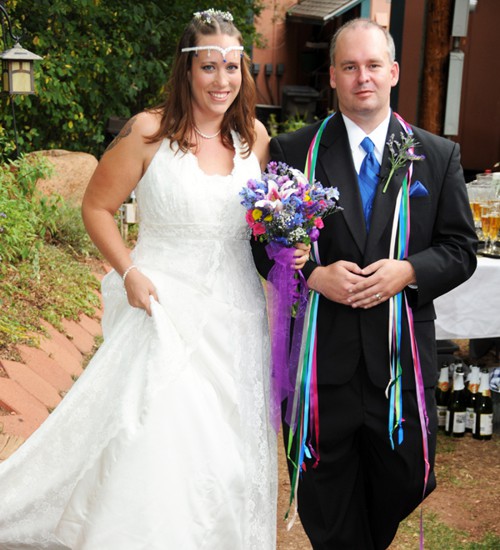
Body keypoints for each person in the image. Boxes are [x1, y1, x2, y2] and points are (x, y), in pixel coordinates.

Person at [0, 9, 310, 549]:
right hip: (163, 307)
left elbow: (264, 226)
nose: (222, 80)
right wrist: (130, 271)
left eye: (232, 68)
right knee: (161, 438)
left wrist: (292, 245)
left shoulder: (255, 139)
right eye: (209, 67)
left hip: (236, 317)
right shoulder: (149, 132)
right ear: (187, 70)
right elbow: (96, 207)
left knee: (227, 453)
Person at [252, 18, 477, 550]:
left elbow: (460, 249)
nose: (363, 78)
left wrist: (410, 271)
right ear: (332, 76)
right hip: (322, 364)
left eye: (374, 66)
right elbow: (263, 247)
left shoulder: (437, 156)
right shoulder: (293, 153)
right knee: (326, 500)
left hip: (400, 366)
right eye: (350, 67)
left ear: (393, 71)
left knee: (400, 484)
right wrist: (311, 275)